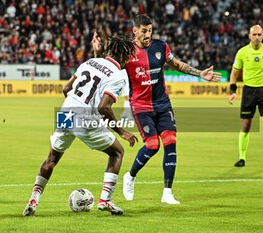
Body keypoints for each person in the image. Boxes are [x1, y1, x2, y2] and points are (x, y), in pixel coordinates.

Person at [92, 14, 221, 204]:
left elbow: (177, 64)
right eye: (144, 31)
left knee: (171, 141)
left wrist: (199, 73)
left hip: (163, 103)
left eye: (150, 30)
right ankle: (131, 176)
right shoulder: (126, 51)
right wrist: (96, 53)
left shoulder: (161, 46)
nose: (148, 34)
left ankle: (167, 192)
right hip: (141, 105)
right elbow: (105, 67)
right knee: (153, 145)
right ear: (135, 31)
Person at [23, 36, 138, 216]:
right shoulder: (118, 76)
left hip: (67, 112)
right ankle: (105, 200)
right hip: (85, 118)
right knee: (117, 152)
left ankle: (33, 200)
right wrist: (121, 131)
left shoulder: (90, 62)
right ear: (123, 56)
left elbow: (66, 89)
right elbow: (103, 107)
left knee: (51, 159)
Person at [228, 25, 263, 167]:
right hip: (249, 92)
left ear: (262, 36)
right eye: (254, 34)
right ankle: (242, 158)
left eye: (259, 34)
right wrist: (232, 90)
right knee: (246, 125)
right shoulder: (242, 52)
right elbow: (234, 73)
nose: (256, 37)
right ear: (249, 36)